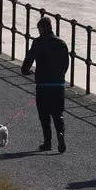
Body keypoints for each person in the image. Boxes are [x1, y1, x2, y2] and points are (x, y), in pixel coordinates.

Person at [21, 17, 69, 153]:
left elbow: (28, 61)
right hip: (58, 84)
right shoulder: (61, 43)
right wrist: (60, 76)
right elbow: (66, 64)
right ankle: (61, 134)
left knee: (44, 114)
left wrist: (26, 71)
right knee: (58, 113)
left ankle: (48, 142)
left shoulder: (38, 42)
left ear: (42, 28)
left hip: (43, 84)